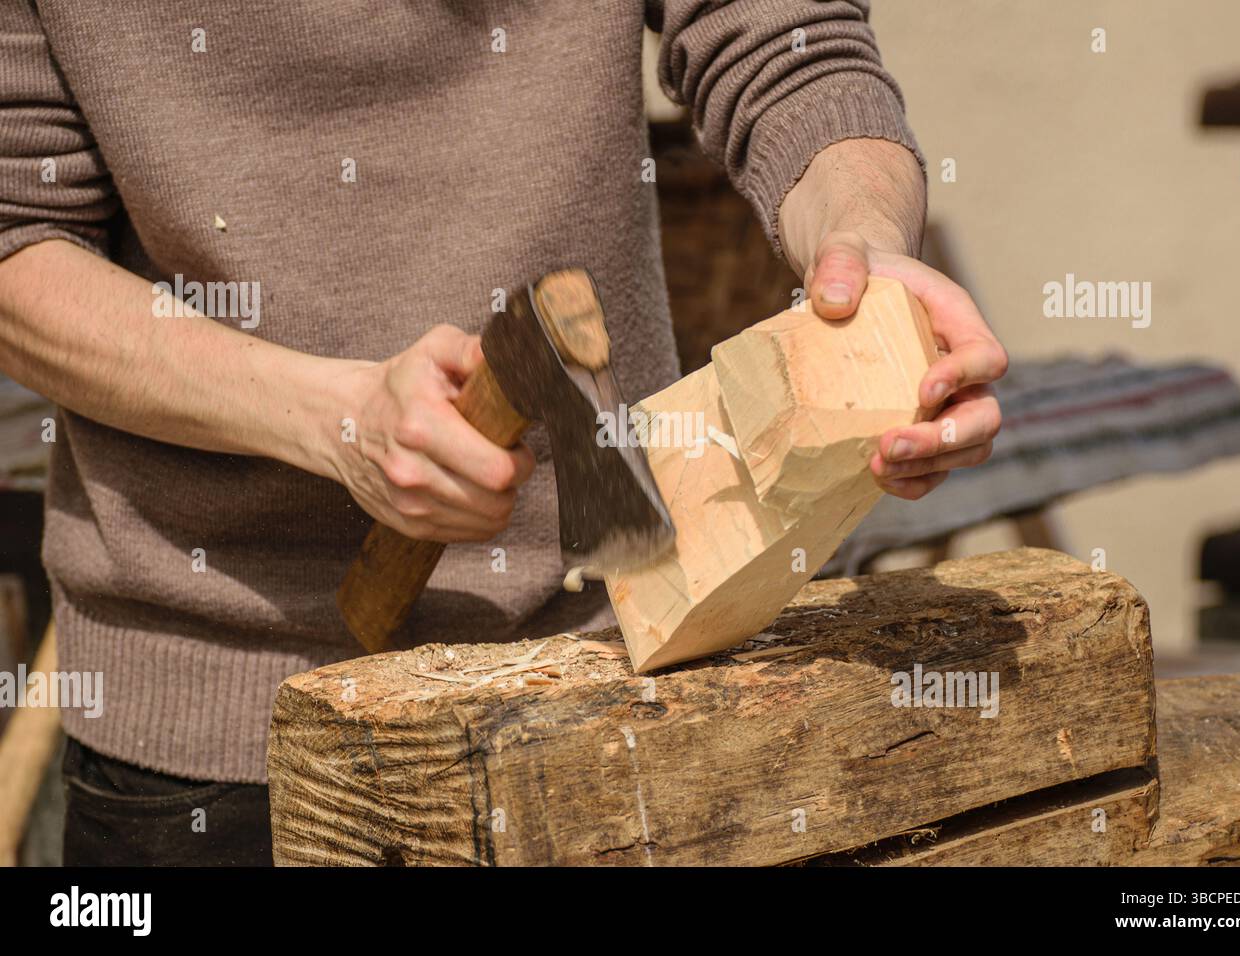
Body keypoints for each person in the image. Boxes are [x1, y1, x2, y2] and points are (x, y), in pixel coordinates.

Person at [0, 0, 1006, 865]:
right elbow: (15, 243)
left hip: (609, 674)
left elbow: (786, 33)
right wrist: (327, 420)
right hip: (212, 747)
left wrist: (861, 244)